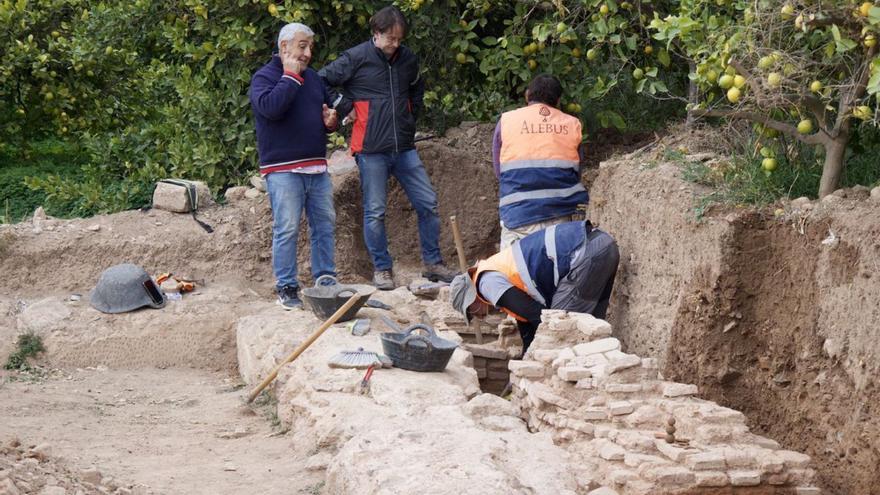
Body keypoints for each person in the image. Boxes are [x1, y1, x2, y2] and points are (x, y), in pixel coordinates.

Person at [318, 5, 458, 290]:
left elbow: (416, 88)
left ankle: (433, 264)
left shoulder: (408, 59)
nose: (395, 44)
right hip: (370, 149)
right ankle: (382, 269)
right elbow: (321, 80)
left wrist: (410, 115)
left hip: (404, 147)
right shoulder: (356, 57)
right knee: (375, 211)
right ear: (376, 33)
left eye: (399, 39)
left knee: (428, 203)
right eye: (390, 38)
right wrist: (344, 106)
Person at [250, 23, 339, 309]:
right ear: (284, 47)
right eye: (302, 46)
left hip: (316, 167)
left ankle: (325, 278)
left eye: (310, 47)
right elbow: (270, 109)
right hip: (282, 169)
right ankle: (287, 286)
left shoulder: (313, 78)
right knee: (286, 229)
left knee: (324, 225)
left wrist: (330, 123)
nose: (308, 53)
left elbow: (325, 114)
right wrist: (290, 76)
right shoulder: (264, 77)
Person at [450, 220, 619, 354]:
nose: (478, 317)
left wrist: (536, 358)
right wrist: (526, 361)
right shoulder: (497, 270)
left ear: (471, 296)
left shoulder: (486, 282)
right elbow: (528, 324)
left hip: (584, 256)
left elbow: (535, 314)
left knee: (559, 334)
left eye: (471, 312)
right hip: (602, 244)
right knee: (593, 334)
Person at [492, 74, 589, 249]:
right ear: (558, 101)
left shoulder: (506, 122)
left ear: (527, 95)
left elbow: (500, 172)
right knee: (558, 273)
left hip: (517, 217)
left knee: (512, 273)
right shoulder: (572, 124)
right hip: (560, 217)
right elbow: (576, 171)